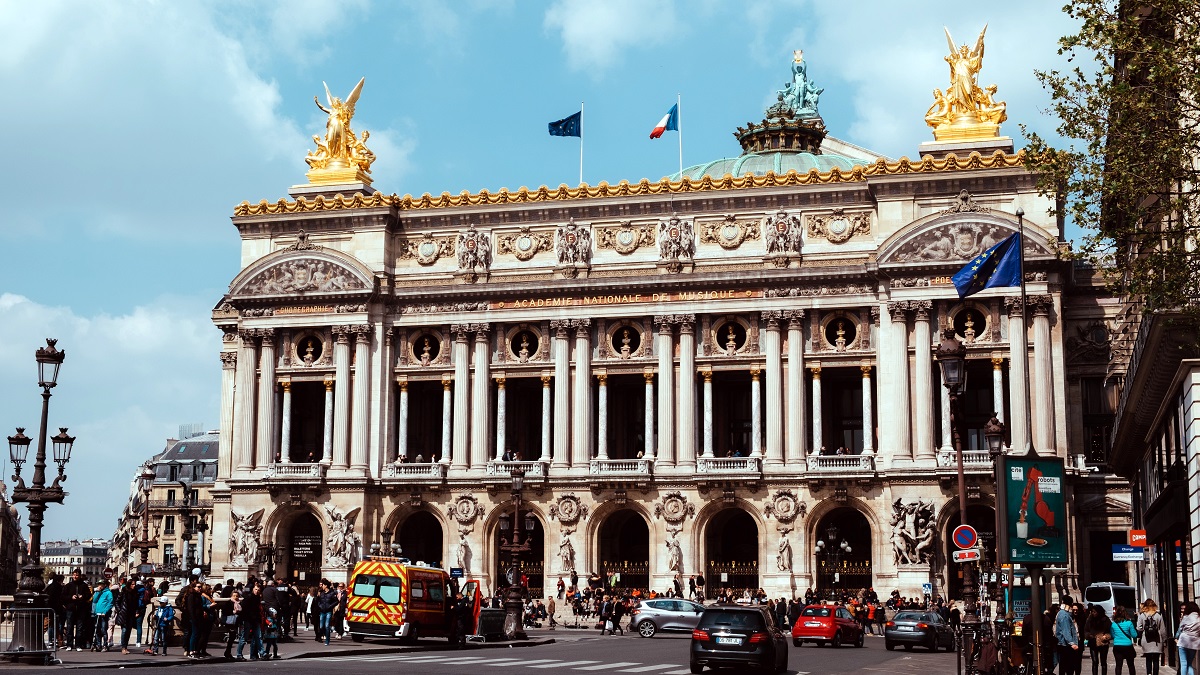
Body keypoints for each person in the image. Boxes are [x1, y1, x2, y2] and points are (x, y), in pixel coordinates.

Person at [63, 569, 91, 651]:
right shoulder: (68, 585)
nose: (75, 576)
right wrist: (71, 597)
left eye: (77, 575)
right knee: (69, 627)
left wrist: (83, 597)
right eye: (74, 575)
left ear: (79, 576)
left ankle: (78, 645)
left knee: (79, 628)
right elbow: (63, 596)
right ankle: (69, 644)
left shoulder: (84, 585)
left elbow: (89, 595)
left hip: (81, 608)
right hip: (71, 608)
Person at [1135, 599, 1165, 675]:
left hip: (1146, 640)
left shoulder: (1142, 615)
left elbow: (1139, 628)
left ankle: (1149, 673)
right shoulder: (1158, 615)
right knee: (1156, 660)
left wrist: (1143, 629)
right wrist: (1164, 640)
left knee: (1148, 659)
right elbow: (1162, 630)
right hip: (1157, 641)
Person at [1055, 595, 1082, 675]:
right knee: (1068, 667)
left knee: (1064, 667)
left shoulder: (1063, 613)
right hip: (1065, 645)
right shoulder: (1065, 615)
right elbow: (1066, 630)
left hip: (1064, 644)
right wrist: (1072, 643)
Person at [236, 582, 263, 660]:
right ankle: (239, 654)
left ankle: (262, 653)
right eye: (255, 589)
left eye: (258, 590)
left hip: (254, 620)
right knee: (244, 637)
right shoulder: (249, 598)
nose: (257, 591)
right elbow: (244, 609)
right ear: (253, 589)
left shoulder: (257, 598)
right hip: (248, 619)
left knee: (258, 637)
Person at [1084, 604, 1113, 675]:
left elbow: (1111, 631)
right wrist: (1089, 635)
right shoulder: (1090, 619)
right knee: (1095, 661)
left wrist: (1106, 636)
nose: (1093, 613)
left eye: (1095, 612)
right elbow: (1086, 630)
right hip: (1093, 642)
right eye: (1092, 612)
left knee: (1103, 662)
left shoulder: (1105, 620)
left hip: (1103, 643)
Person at [1109, 605, 1138, 675]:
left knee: (1118, 665)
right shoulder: (1129, 623)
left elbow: (1112, 635)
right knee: (1131, 665)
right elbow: (1134, 635)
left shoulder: (1113, 624)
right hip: (1128, 646)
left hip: (1117, 646)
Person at [1177, 602, 1200, 675]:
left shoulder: (1186, 617)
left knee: (1183, 664)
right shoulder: (1199, 618)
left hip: (1183, 642)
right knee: (1190, 664)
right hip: (1194, 643)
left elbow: (1180, 628)